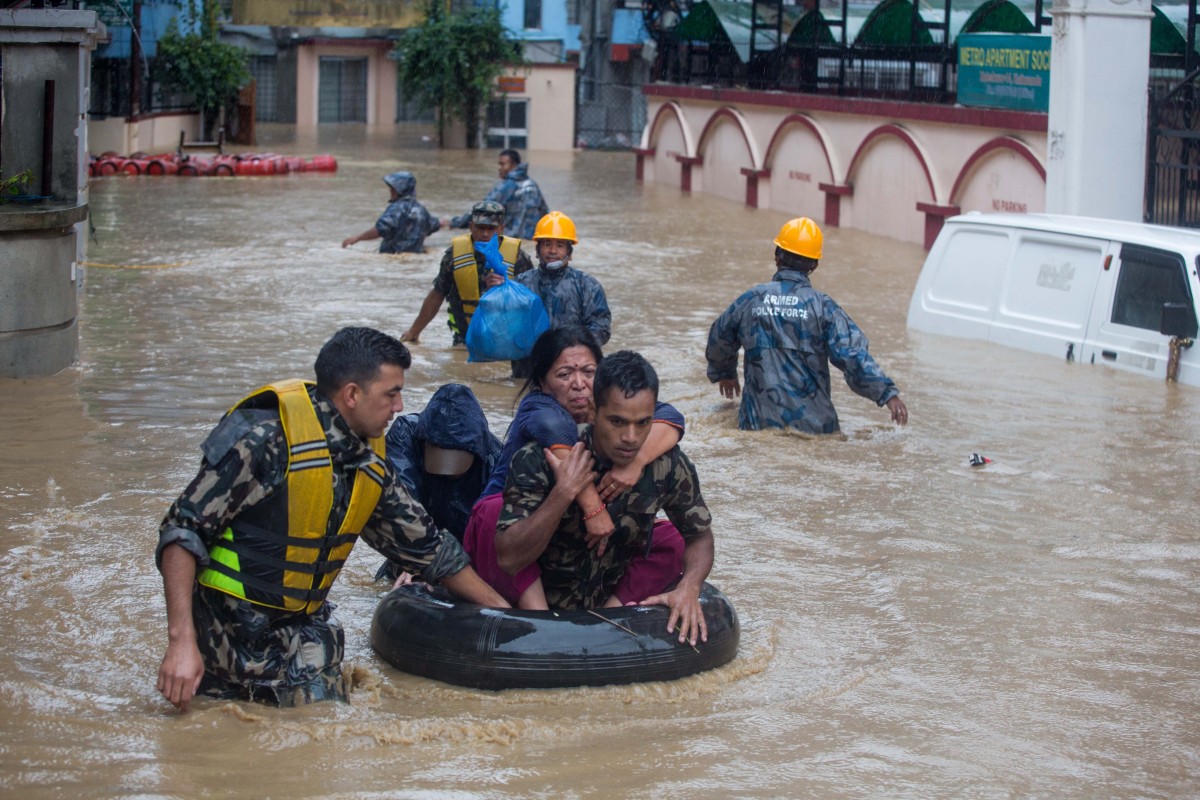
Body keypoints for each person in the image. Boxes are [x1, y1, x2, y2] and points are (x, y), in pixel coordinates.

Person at [154, 327, 508, 712]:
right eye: (391, 394)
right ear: (352, 394)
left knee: (323, 737)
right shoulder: (263, 441)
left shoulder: (369, 463)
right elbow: (181, 531)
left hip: (304, 642)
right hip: (224, 644)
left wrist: (507, 618)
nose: (401, 407)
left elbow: (430, 550)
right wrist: (181, 643)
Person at [493, 350, 715, 645]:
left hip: (610, 609)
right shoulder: (539, 459)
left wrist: (690, 586)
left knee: (669, 541)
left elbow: (699, 536)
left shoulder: (667, 464)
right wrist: (564, 493)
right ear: (593, 410)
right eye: (617, 422)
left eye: (643, 423)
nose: (631, 438)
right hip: (539, 616)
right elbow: (508, 558)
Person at [463, 327, 688, 610]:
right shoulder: (538, 407)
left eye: (589, 372)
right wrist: (593, 507)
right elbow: (558, 435)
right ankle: (539, 617)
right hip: (517, 521)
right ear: (543, 383)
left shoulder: (615, 409)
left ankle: (610, 611)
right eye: (564, 374)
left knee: (670, 537)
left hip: (576, 526)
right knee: (493, 512)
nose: (579, 384)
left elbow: (670, 417)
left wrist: (636, 463)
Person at [705, 216, 909, 434]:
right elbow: (853, 355)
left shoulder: (750, 300)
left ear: (777, 256)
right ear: (814, 264)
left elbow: (720, 338)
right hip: (816, 430)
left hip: (758, 425)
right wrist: (887, 394)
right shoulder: (823, 307)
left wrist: (725, 373)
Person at [375, 382, 502, 582]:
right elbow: (401, 502)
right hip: (410, 551)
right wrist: (415, 557)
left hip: (466, 564)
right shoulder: (406, 437)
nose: (446, 475)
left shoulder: (495, 460)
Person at [400, 200, 534, 346]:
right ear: (471, 226)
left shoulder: (518, 258)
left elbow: (531, 302)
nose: (485, 234)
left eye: (491, 228)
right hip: (464, 342)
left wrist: (507, 286)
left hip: (505, 343)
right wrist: (414, 332)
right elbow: (437, 295)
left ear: (501, 229)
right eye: (480, 227)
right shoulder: (454, 256)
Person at [449, 149, 549, 241]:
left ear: (513, 165)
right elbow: (545, 213)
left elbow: (481, 210)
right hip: (531, 239)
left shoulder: (506, 186)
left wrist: (455, 223)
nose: (499, 168)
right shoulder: (532, 185)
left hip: (509, 240)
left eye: (502, 164)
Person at [341, 171, 440, 254]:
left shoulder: (397, 208)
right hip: (415, 256)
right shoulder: (421, 210)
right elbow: (434, 225)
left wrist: (357, 238)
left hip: (392, 256)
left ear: (400, 190)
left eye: (393, 188)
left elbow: (381, 229)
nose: (391, 191)